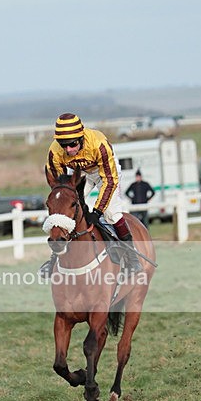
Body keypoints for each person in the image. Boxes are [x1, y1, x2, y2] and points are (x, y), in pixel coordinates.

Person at [39, 112, 141, 278]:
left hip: (106, 175)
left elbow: (110, 181)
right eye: (63, 145)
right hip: (81, 175)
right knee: (67, 211)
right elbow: (60, 187)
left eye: (72, 144)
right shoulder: (54, 152)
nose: (68, 150)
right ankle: (53, 260)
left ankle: (132, 257)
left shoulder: (99, 143)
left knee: (110, 214)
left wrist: (97, 212)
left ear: (81, 138)